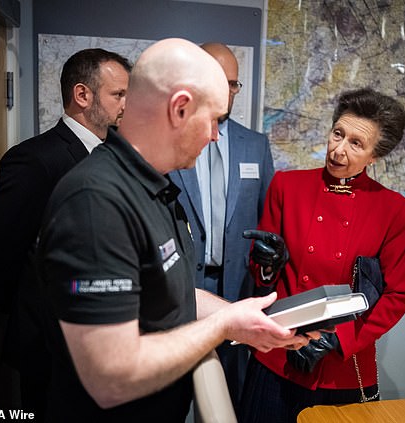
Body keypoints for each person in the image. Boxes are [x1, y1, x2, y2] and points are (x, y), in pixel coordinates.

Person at [34, 38, 310, 422]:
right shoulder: (95, 201)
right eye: (212, 119)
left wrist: (249, 320)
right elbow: (111, 376)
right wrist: (223, 327)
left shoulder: (154, 189)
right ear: (180, 108)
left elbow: (173, 293)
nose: (215, 135)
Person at [0, 48, 131, 419]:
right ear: (82, 95)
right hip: (48, 351)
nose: (126, 104)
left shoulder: (112, 156)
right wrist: (35, 313)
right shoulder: (36, 160)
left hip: (95, 351)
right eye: (118, 94)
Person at [238, 87, 405, 423]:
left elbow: (397, 294)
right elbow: (263, 274)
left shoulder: (394, 210)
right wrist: (265, 265)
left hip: (341, 369)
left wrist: (339, 340)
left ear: (375, 156)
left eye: (356, 143)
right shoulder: (287, 186)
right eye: (338, 134)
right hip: (277, 357)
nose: (338, 150)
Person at [168, 42, 275, 409]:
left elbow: (268, 222)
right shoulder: (171, 141)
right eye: (220, 81)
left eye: (234, 84)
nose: (228, 92)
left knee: (226, 398)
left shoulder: (256, 146)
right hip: (181, 288)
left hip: (236, 289)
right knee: (175, 393)